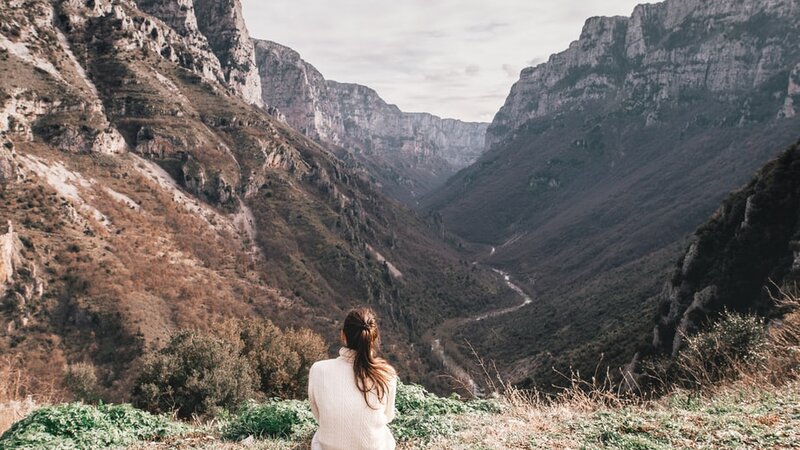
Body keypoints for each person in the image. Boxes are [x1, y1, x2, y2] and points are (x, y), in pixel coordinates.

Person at [308, 307, 398, 450]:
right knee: (386, 435)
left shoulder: (318, 370)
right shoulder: (386, 374)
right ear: (373, 338)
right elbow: (388, 416)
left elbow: (318, 414)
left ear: (343, 335)